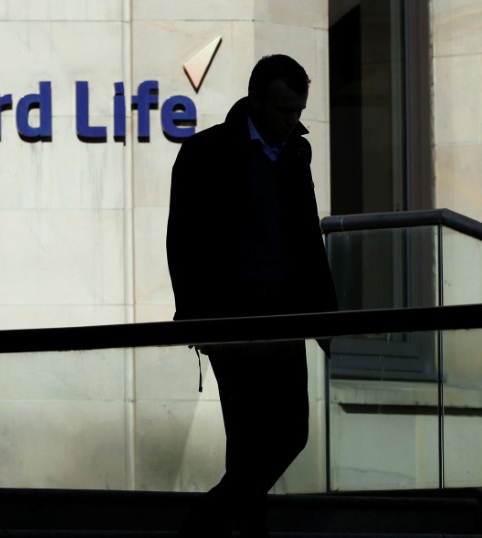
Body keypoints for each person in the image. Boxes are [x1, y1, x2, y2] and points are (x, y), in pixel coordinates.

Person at [166, 54, 338, 537]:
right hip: (232, 321)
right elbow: (183, 241)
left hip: (285, 318)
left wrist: (324, 316)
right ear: (255, 99)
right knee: (248, 444)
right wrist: (198, 318)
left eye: (298, 111)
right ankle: (227, 535)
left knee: (289, 434)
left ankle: (203, 529)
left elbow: (306, 239)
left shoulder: (294, 154)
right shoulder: (206, 153)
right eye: (284, 110)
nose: (293, 122)